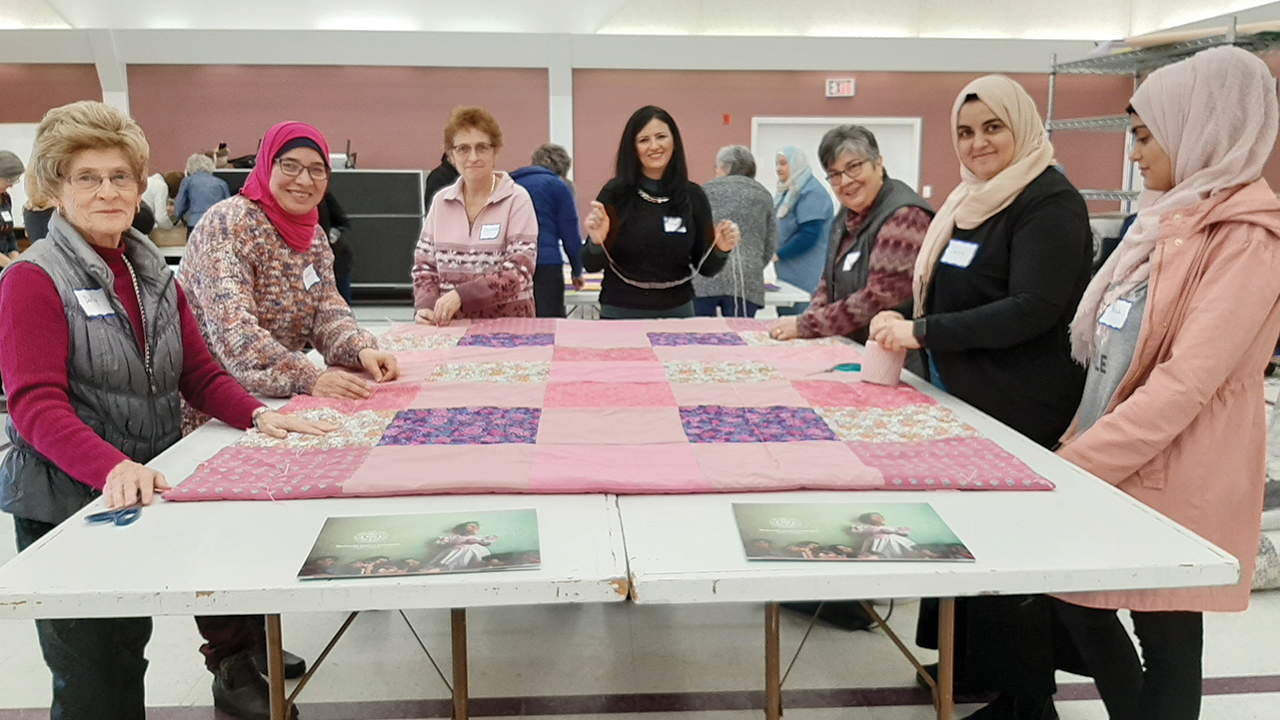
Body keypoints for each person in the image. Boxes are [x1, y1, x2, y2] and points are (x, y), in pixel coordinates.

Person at [0, 100, 330, 720]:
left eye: (120, 176)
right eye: (87, 178)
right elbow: (34, 406)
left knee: (130, 650)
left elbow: (198, 373)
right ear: (54, 190)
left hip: (139, 492)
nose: (107, 191)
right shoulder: (32, 279)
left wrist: (259, 416)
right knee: (97, 680)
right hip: (67, 503)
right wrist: (111, 466)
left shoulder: (150, 270)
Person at [1051, 47, 1280, 720]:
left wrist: (1079, 464)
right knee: (1079, 603)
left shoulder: (1247, 239)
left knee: (1167, 632)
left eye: (1146, 136)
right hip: (1123, 452)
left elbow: (1187, 381)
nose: (1135, 154)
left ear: (1200, 128)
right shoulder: (1163, 221)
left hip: (1180, 463)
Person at [870, 75, 1093, 720]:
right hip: (966, 393)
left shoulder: (1048, 202)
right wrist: (909, 323)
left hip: (1020, 404)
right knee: (964, 536)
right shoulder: (971, 202)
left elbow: (1032, 307)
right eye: (965, 132)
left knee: (1008, 550)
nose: (978, 143)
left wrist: (923, 331)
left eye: (993, 127)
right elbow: (954, 288)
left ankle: (1026, 701)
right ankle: (966, 663)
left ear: (1021, 126)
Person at [182, 120, 400, 401]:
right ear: (266, 165)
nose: (304, 180)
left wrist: (360, 350)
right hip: (213, 404)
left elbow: (326, 310)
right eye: (290, 166)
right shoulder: (229, 225)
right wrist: (309, 378)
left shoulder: (314, 236)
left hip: (274, 398)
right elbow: (235, 335)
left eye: (316, 169)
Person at [769, 126, 933, 364]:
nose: (845, 181)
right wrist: (810, 318)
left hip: (893, 363)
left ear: (878, 164)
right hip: (852, 354)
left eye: (854, 167)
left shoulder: (905, 217)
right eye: (834, 174)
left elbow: (878, 298)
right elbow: (828, 279)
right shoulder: (848, 213)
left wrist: (806, 325)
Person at [581, 105, 741, 318]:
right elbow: (590, 265)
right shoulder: (615, 193)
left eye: (661, 137)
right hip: (619, 314)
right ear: (632, 147)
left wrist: (721, 249)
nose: (654, 146)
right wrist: (597, 241)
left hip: (679, 314)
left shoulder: (693, 196)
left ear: (674, 141)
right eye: (643, 140)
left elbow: (706, 268)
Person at [412, 106, 538, 324]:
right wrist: (426, 305)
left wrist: (461, 296)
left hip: (510, 329)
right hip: (452, 327)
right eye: (463, 149)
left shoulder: (517, 200)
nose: (473, 157)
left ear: (495, 152)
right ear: (451, 156)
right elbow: (425, 267)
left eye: (482, 148)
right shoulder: (441, 202)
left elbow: (519, 271)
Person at [693, 145, 777, 317]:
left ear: (725, 167)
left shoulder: (705, 190)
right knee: (740, 331)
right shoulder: (763, 195)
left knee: (700, 331)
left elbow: (694, 236)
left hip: (704, 277)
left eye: (717, 168)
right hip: (746, 279)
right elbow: (770, 243)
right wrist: (754, 265)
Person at [510, 143, 585, 318]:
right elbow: (571, 237)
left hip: (512, 265)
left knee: (515, 323)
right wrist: (577, 271)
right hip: (546, 265)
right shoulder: (559, 187)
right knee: (549, 324)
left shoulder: (510, 185)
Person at [772, 146, 833, 314]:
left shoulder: (811, 192)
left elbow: (809, 236)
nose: (778, 168)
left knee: (804, 320)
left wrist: (778, 255)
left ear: (796, 163)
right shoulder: (788, 192)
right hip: (788, 273)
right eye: (777, 164)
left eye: (783, 163)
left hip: (807, 274)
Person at [174, 152, 230, 232]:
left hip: (195, 223)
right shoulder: (221, 183)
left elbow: (179, 208)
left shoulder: (188, 181)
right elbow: (228, 207)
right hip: (216, 224)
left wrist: (178, 218)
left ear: (190, 167)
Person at [317, 191, 353, 303]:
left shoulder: (322, 195)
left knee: (340, 305)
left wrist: (335, 239)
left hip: (334, 263)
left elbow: (342, 223)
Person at [426, 522, 498, 571]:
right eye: (471, 527)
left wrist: (478, 541)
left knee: (477, 559)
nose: (474, 528)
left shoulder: (477, 537)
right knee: (451, 561)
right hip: (457, 550)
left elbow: (486, 542)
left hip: (475, 550)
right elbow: (441, 544)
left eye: (476, 527)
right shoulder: (455, 537)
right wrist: (446, 542)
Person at [0, 150, 23, 269]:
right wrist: (10, 265)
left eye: (14, 180)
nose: (11, 185)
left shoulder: (5, 199)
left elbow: (9, 234)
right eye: (8, 180)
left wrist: (15, 258)